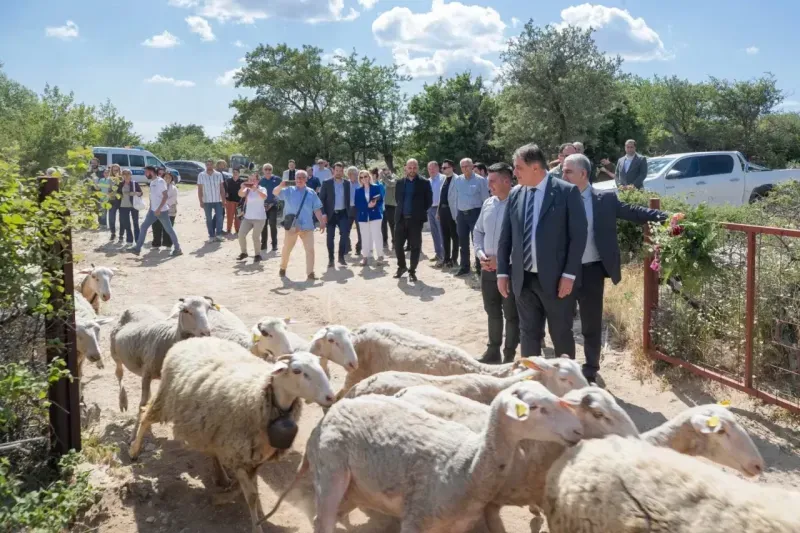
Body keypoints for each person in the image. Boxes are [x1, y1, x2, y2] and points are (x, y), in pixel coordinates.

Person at [561, 153, 670, 382]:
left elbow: (633, 212)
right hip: (563, 273)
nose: (563, 175)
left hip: (591, 271)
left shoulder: (604, 200)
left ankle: (590, 369)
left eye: (567, 171)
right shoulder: (558, 200)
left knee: (591, 323)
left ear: (583, 174)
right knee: (562, 324)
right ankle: (566, 371)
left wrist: (666, 217)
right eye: (562, 170)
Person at [496, 143, 587, 359]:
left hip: (557, 282)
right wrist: (502, 272)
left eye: (518, 168)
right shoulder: (516, 195)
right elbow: (505, 237)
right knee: (528, 334)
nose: (514, 173)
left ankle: (566, 385)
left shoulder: (566, 192)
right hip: (523, 279)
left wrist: (569, 275)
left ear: (535, 167)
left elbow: (578, 237)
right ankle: (532, 383)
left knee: (561, 335)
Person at [474, 163, 519, 364]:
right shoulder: (488, 204)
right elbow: (478, 231)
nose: (488, 184)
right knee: (491, 310)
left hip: (509, 270)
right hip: (488, 269)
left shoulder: (518, 205)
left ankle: (509, 354)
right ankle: (493, 351)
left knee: (511, 314)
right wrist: (480, 253)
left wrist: (502, 261)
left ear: (506, 181)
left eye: (492, 180)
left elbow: (522, 241)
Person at [272, 170, 326, 280]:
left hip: (307, 226)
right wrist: (280, 185)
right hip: (292, 226)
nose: (300, 179)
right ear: (295, 179)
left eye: (302, 177)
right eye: (298, 177)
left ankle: (310, 273)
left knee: (310, 250)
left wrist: (321, 222)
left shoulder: (311, 192)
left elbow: (317, 209)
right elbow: (275, 192)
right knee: (287, 248)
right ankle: (283, 267)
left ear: (306, 179)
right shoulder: (288, 190)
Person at [393, 159, 432, 283]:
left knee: (415, 247)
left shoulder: (424, 182)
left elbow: (429, 201)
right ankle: (402, 266)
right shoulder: (399, 182)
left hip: (415, 220)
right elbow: (397, 199)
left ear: (418, 168)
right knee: (398, 245)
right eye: (410, 167)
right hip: (400, 219)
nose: (412, 170)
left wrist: (419, 212)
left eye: (414, 167)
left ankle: (412, 271)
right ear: (405, 168)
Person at [132, 166, 182, 257]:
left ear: (151, 172)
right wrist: (151, 209)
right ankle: (137, 248)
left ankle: (178, 249)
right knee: (143, 227)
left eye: (146, 172)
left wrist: (159, 209)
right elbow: (153, 199)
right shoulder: (152, 182)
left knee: (169, 230)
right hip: (153, 211)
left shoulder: (160, 181)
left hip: (162, 211)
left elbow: (165, 196)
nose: (145, 174)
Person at [453, 158, 489, 276]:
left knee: (477, 242)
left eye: (467, 166)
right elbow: (455, 198)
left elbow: (485, 200)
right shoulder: (457, 180)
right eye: (462, 167)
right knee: (462, 242)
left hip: (475, 213)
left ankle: (480, 267)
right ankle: (464, 267)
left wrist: (485, 217)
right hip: (461, 214)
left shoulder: (480, 180)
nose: (465, 169)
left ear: (472, 166)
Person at [319, 162, 351, 268]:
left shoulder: (347, 183)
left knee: (345, 235)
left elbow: (348, 199)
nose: (338, 172)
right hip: (331, 214)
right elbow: (321, 200)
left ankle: (341, 257)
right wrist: (323, 213)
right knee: (330, 237)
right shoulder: (326, 183)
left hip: (343, 213)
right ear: (333, 171)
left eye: (340, 171)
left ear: (343, 171)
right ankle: (331, 259)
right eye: (336, 170)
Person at [354, 169, 385, 266]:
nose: (364, 179)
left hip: (375, 215)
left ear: (369, 177)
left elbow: (380, 200)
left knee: (377, 236)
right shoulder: (358, 190)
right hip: (363, 217)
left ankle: (380, 256)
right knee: (365, 237)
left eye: (365, 176)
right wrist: (367, 206)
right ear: (360, 179)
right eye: (361, 177)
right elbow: (357, 204)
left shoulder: (376, 187)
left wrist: (374, 204)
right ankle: (365, 257)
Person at [236, 171, 268, 263]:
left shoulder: (262, 189)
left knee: (255, 237)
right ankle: (244, 252)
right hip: (248, 217)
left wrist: (256, 189)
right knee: (241, 234)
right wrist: (242, 188)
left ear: (258, 180)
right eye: (250, 179)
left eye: (254, 179)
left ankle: (257, 255)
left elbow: (264, 197)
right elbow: (240, 194)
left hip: (260, 218)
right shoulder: (247, 190)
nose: (252, 181)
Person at [438, 159, 459, 269]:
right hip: (443, 210)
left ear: (452, 168)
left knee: (454, 236)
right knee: (445, 236)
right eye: (442, 168)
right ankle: (446, 258)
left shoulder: (458, 179)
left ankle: (454, 259)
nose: (443, 169)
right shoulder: (443, 180)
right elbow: (441, 198)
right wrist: (438, 211)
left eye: (445, 167)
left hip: (453, 211)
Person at [197, 158, 225, 243]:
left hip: (217, 200)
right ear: (205, 165)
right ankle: (211, 236)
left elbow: (221, 188)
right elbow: (200, 189)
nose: (209, 166)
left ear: (213, 165)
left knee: (220, 217)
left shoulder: (218, 174)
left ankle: (219, 234)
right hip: (207, 201)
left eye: (210, 164)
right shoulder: (201, 175)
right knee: (208, 219)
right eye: (207, 164)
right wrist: (200, 201)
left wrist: (224, 200)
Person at [259, 163, 282, 252]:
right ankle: (264, 244)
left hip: (273, 205)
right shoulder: (261, 181)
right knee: (263, 225)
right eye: (266, 169)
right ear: (263, 170)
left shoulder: (277, 179)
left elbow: (283, 189)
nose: (268, 171)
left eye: (270, 169)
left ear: (272, 170)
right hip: (263, 206)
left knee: (273, 225)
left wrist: (277, 198)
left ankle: (274, 244)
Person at [153, 171, 179, 249]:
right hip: (158, 209)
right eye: (165, 177)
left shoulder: (174, 188)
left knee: (168, 227)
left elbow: (173, 199)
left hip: (170, 210)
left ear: (171, 179)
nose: (167, 178)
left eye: (169, 177)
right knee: (156, 226)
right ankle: (156, 244)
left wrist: (163, 203)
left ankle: (168, 244)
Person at [117, 169, 143, 246]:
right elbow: (118, 194)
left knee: (135, 223)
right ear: (122, 175)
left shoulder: (134, 183)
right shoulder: (120, 184)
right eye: (124, 174)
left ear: (131, 175)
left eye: (128, 173)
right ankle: (129, 240)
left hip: (134, 205)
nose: (126, 175)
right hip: (123, 206)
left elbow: (141, 193)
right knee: (126, 224)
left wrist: (135, 193)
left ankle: (138, 240)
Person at [426, 161, 445, 267]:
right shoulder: (428, 181)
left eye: (433, 168)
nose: (431, 170)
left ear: (438, 168)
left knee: (441, 232)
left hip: (440, 208)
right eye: (429, 169)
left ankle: (444, 256)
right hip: (430, 209)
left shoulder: (443, 179)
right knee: (434, 233)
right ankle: (438, 253)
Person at [346, 166, 362, 256]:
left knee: (360, 230)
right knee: (345, 230)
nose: (355, 175)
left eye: (356, 174)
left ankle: (359, 248)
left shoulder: (360, 184)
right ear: (348, 175)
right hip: (348, 208)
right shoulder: (345, 184)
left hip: (358, 208)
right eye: (352, 174)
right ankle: (347, 247)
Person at [380, 167, 397, 251]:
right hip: (382, 206)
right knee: (383, 225)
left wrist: (383, 177)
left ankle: (394, 242)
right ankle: (384, 242)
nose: (385, 172)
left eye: (386, 170)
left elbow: (391, 184)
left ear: (390, 170)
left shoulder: (394, 178)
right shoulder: (381, 182)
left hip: (390, 205)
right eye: (383, 170)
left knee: (392, 225)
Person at [224, 168, 243, 235]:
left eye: (236, 172)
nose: (235, 173)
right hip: (230, 201)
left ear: (239, 173)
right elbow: (225, 190)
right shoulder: (228, 181)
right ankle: (228, 229)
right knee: (229, 216)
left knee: (238, 216)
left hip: (239, 202)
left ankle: (238, 230)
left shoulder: (242, 182)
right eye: (234, 172)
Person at [107, 164, 122, 241]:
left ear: (119, 170)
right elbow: (107, 190)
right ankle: (113, 233)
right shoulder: (109, 179)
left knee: (122, 219)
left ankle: (121, 235)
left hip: (121, 201)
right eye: (114, 170)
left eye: (117, 170)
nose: (116, 172)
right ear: (111, 171)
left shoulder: (122, 179)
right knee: (111, 218)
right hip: (112, 200)